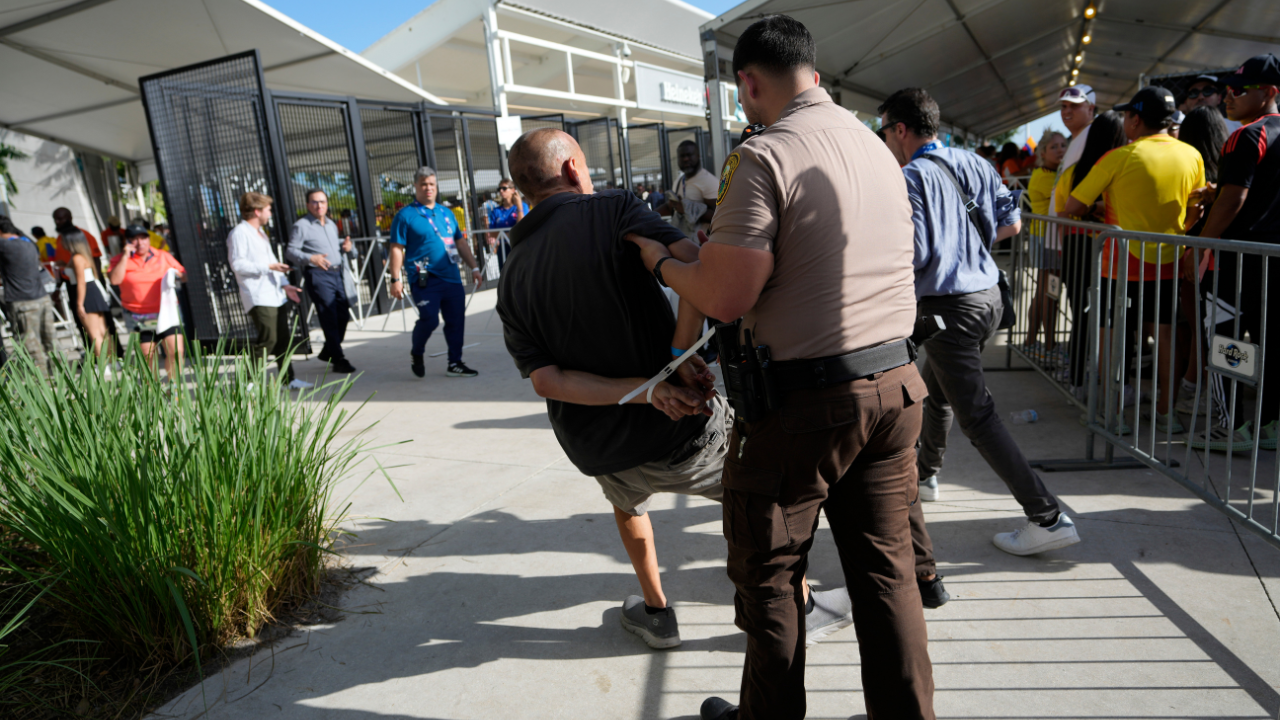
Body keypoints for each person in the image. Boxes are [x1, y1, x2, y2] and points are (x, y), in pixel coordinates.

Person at [628, 17, 936, 720]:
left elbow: (727, 294)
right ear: (817, 76)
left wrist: (664, 263)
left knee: (769, 581)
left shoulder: (765, 155)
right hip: (895, 388)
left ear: (749, 83)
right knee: (888, 578)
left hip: (807, 405)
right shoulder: (874, 147)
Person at [880, 87, 1082, 559]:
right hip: (989, 296)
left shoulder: (909, 177)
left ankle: (1046, 517)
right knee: (939, 386)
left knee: (979, 416)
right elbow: (1011, 223)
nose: (885, 139)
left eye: (885, 130)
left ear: (901, 129)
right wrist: (968, 245)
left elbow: (918, 254)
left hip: (948, 307)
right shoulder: (973, 161)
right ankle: (927, 473)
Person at [1064, 85, 1206, 434]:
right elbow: (1195, 208)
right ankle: (1165, 413)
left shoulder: (1119, 157)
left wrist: (1101, 208)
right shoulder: (1192, 155)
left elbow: (1072, 207)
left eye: (1128, 115)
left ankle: (1110, 414)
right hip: (1170, 258)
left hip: (1120, 262)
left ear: (1135, 119)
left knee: (1112, 337)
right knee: (1166, 336)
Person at [1188, 54, 1280, 452]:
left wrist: (1202, 243)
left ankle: (1234, 428)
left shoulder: (1246, 136)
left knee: (1225, 341)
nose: (1229, 96)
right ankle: (1271, 426)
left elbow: (1233, 200)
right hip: (1271, 260)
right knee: (1269, 341)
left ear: (1270, 92)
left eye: (1240, 89)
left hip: (1237, 262)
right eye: (1227, 88)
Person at [1054, 111, 1130, 396]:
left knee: (1081, 316)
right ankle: (1114, 386)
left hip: (1076, 246)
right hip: (1108, 250)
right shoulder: (1119, 168)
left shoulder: (1073, 171)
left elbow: (1062, 213)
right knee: (1111, 317)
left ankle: (1077, 382)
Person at [387, 167, 482, 379]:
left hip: (451, 276)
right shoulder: (405, 215)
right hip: (423, 276)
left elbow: (459, 242)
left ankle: (455, 363)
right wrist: (395, 279)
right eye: (423, 184)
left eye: (431, 184)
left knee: (456, 320)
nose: (428, 188)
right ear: (415, 186)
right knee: (429, 319)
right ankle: (417, 352)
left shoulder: (446, 213)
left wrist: (474, 267)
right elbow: (396, 248)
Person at [229, 192, 311, 390]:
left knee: (283, 340)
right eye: (268, 210)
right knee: (269, 339)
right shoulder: (240, 233)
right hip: (258, 295)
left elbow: (273, 262)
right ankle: (249, 383)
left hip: (275, 294)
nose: (270, 214)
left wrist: (285, 284)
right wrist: (268, 267)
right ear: (257, 211)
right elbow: (238, 264)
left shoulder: (261, 233)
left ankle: (288, 380)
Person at [286, 188, 357, 374]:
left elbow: (333, 248)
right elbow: (291, 251)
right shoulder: (301, 225)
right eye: (315, 202)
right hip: (318, 275)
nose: (319, 205)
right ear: (308, 204)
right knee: (329, 317)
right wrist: (311, 258)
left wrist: (345, 247)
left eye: (322, 202)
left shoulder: (331, 224)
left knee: (343, 315)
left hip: (337, 274)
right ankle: (338, 359)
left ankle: (328, 350)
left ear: (327, 203)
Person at [109, 224, 187, 380]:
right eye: (134, 239)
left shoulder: (162, 256)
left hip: (165, 313)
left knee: (175, 351)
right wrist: (125, 256)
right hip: (139, 315)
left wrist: (176, 274)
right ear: (128, 241)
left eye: (143, 238)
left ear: (148, 238)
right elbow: (114, 280)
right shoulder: (119, 260)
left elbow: (184, 276)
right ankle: (153, 393)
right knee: (148, 356)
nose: (140, 243)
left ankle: (175, 390)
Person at [1023, 130, 1068, 358]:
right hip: (1046, 240)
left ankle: (1033, 341)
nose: (1060, 149)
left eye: (1063, 145)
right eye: (1054, 147)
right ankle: (1045, 345)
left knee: (1045, 291)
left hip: (1047, 239)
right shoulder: (1044, 176)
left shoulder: (1052, 172)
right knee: (1048, 292)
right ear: (1042, 153)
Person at [0, 215, 59, 376]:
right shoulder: (29, 244)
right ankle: (61, 378)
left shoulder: (4, 245)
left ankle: (43, 385)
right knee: (51, 341)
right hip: (42, 299)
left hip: (23, 302)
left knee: (31, 347)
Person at [63, 227, 113, 359]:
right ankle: (111, 362)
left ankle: (103, 365)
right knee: (102, 331)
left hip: (85, 294)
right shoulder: (83, 255)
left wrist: (79, 304)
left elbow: (81, 282)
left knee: (94, 333)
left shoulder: (77, 258)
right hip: (92, 291)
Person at [1049, 85, 1097, 218]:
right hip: (1064, 230)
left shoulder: (1093, 137)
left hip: (1076, 232)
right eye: (1063, 106)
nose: (1067, 111)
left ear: (1090, 108)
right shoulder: (1077, 139)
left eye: (1074, 106)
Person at [655, 140, 718, 239]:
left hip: (704, 243)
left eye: (689, 155)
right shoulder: (679, 181)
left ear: (698, 156)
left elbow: (718, 217)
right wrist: (648, 216)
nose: (685, 159)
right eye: (682, 156)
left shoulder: (709, 182)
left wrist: (687, 209)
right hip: (684, 240)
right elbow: (670, 207)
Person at [483, 178, 527, 269]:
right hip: (503, 249)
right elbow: (492, 232)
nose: (501, 191)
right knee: (505, 276)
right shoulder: (496, 211)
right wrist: (510, 235)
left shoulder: (522, 206)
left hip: (519, 247)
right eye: (499, 189)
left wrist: (519, 206)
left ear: (513, 190)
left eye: (504, 188)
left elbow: (522, 226)